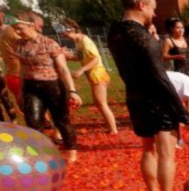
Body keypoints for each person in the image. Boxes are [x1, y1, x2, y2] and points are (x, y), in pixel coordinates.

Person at [108, 0, 189, 191]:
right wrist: (182, 112)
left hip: (135, 95)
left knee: (147, 149)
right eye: (152, 9)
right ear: (141, 5)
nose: (154, 15)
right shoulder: (143, 38)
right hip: (158, 99)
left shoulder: (115, 33)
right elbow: (160, 77)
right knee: (166, 153)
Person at [9, 11, 82, 162]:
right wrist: (21, 90)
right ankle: (42, 154)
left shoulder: (50, 44)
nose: (17, 31)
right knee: (33, 121)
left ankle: (71, 152)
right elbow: (22, 69)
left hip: (52, 86)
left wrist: (72, 91)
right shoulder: (19, 45)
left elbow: (63, 69)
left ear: (31, 26)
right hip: (31, 87)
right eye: (15, 28)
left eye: (20, 28)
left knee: (61, 120)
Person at [61, 20, 118, 135]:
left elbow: (95, 59)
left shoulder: (85, 41)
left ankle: (113, 130)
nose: (64, 35)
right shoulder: (79, 41)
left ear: (72, 30)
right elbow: (81, 57)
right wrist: (68, 56)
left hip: (98, 74)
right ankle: (111, 128)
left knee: (102, 103)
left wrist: (81, 70)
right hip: (95, 74)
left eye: (65, 33)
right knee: (99, 103)